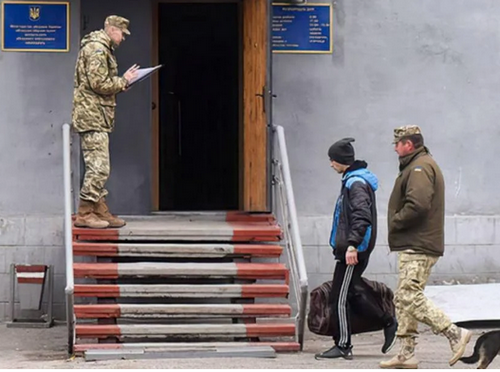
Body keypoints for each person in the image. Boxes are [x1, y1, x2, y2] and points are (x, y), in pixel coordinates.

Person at [380, 125, 471, 369]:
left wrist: (396, 222)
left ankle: (454, 333)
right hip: (415, 242)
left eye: (397, 143)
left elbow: (418, 205)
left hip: (418, 244)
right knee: (403, 298)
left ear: (408, 144)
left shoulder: (419, 167)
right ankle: (406, 354)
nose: (395, 148)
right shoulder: (417, 164)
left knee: (409, 295)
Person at [316, 138, 398, 360]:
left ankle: (344, 345)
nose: (331, 164)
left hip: (354, 249)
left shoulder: (356, 183)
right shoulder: (353, 180)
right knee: (349, 291)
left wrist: (352, 245)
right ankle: (387, 322)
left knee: (338, 297)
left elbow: (361, 217)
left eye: (332, 160)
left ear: (341, 160)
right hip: (352, 247)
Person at [72, 15, 139, 229]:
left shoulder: (101, 48)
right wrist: (123, 80)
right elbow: (98, 83)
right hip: (92, 116)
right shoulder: (98, 49)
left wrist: (121, 84)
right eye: (121, 33)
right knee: (99, 167)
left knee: (99, 165)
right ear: (111, 29)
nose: (122, 38)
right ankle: (84, 212)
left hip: (97, 115)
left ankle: (99, 208)